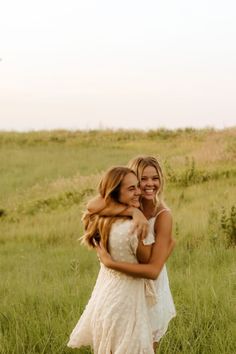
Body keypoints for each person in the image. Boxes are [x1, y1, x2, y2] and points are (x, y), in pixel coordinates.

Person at [88, 155, 176, 351]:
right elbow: (92, 205)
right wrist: (133, 212)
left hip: (150, 283)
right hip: (124, 285)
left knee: (147, 344)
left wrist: (110, 264)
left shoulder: (163, 216)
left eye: (155, 178)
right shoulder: (129, 204)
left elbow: (153, 270)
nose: (149, 184)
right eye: (143, 179)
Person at [67, 166, 157, 354]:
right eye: (131, 189)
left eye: (137, 187)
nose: (139, 192)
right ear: (115, 193)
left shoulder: (100, 220)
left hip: (104, 300)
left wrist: (134, 211)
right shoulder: (135, 229)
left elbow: (93, 205)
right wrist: (143, 222)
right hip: (126, 303)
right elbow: (148, 262)